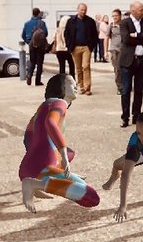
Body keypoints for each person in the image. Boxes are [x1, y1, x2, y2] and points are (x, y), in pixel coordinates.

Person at [19, 74, 100, 213]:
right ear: (60, 87)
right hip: (41, 169)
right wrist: (62, 154)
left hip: (28, 168)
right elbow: (50, 122)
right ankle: (33, 184)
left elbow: (27, 137)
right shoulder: (60, 103)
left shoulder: (44, 105)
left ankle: (38, 184)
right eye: (71, 83)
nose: (76, 86)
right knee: (91, 197)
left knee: (71, 156)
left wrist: (39, 157)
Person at [119, 1, 143, 127]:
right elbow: (126, 39)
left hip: (142, 60)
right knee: (126, 90)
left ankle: (137, 116)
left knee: (139, 90)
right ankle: (125, 117)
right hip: (128, 60)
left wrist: (137, 35)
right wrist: (142, 37)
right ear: (133, 11)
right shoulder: (124, 23)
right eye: (141, 10)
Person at [64, 3, 98, 95]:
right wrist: (69, 45)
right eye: (82, 10)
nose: (83, 12)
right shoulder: (71, 21)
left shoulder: (90, 21)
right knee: (78, 68)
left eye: (85, 10)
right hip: (75, 47)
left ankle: (87, 88)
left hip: (86, 47)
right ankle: (81, 86)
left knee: (86, 66)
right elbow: (66, 33)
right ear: (78, 9)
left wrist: (92, 46)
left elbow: (95, 34)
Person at [21, 7, 48, 86]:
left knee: (32, 62)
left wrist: (29, 42)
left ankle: (29, 76)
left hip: (31, 45)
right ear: (39, 13)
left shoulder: (27, 23)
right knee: (39, 63)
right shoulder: (42, 23)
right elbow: (46, 33)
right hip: (40, 46)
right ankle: (37, 81)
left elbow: (23, 35)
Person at [108, 9, 124, 95]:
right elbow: (107, 38)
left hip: (123, 49)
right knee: (117, 68)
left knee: (124, 68)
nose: (114, 17)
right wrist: (106, 51)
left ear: (120, 16)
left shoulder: (124, 25)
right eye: (113, 16)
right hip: (114, 49)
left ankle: (125, 83)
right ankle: (120, 86)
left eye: (116, 16)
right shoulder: (111, 26)